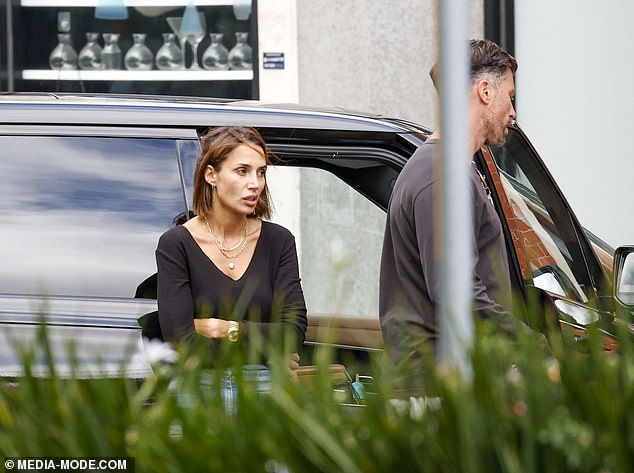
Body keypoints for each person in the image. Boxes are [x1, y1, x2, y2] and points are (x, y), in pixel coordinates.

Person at [379, 39, 519, 386]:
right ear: (485, 91)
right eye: (510, 97)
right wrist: (530, 346)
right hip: (436, 390)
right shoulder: (441, 175)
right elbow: (455, 291)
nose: (513, 111)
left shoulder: (447, 168)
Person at [155, 126, 307, 373]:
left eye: (261, 172)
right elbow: (181, 341)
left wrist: (224, 328)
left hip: (264, 388)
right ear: (211, 175)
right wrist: (267, 351)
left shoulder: (279, 241)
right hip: (200, 387)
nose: (255, 184)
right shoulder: (176, 245)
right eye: (242, 171)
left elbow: (295, 332)